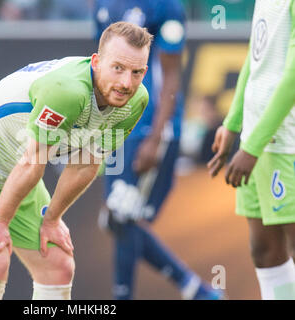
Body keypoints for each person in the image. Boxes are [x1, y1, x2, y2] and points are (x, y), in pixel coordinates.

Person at [0, 21, 152, 300]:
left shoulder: (136, 100)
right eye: (118, 68)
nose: (126, 83)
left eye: (136, 72)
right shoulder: (67, 91)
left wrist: (53, 219)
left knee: (58, 266)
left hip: (13, 168)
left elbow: (86, 163)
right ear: (96, 62)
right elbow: (33, 163)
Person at [94, 0, 224, 300]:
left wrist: (157, 136)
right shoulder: (101, 4)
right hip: (116, 125)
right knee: (118, 217)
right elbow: (98, 68)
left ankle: (191, 291)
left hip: (151, 125)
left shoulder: (165, 6)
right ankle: (197, 290)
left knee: (123, 215)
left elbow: (171, 74)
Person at [208, 0, 295, 300]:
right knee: (265, 251)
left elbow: (293, 79)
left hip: (288, 146)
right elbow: (255, 57)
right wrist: (233, 123)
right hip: (257, 139)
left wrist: (253, 146)